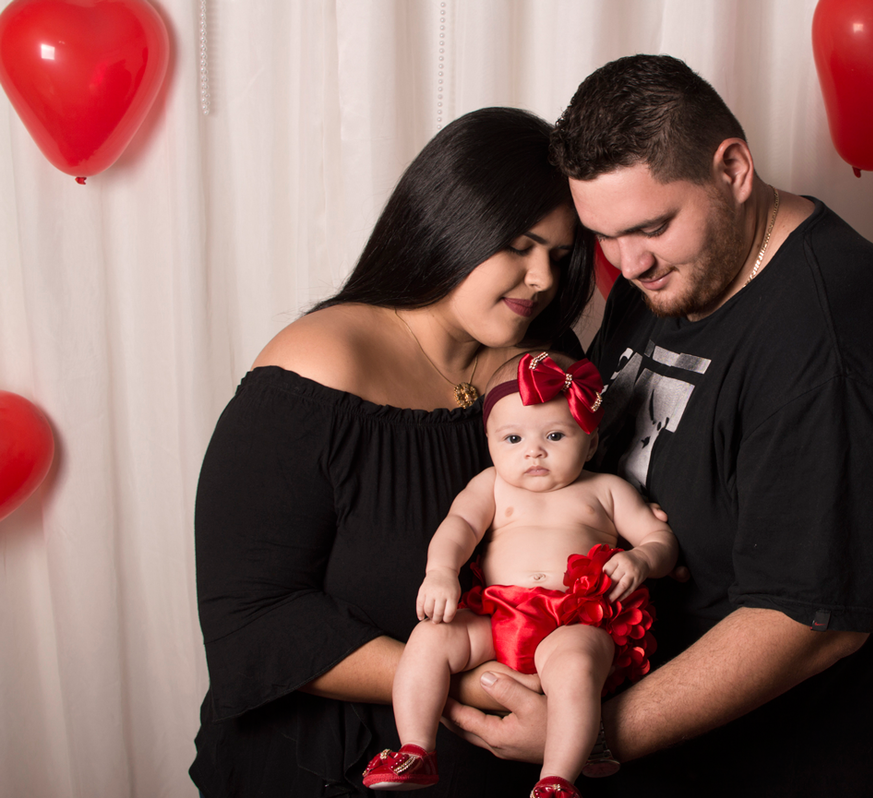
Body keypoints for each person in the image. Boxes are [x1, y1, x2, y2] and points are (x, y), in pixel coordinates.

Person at [444, 55, 873, 797]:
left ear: (732, 169)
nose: (629, 263)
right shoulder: (668, 274)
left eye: (650, 226)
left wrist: (592, 734)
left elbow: (810, 621)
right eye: (604, 235)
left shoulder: (839, 343)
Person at [190, 107, 597, 798]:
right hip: (331, 767)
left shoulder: (542, 367)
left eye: (558, 258)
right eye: (520, 247)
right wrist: (472, 677)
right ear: (449, 219)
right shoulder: (316, 366)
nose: (542, 281)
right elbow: (251, 619)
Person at [361, 351, 677, 796]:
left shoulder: (606, 489)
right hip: (498, 618)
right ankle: (416, 748)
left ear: (589, 443)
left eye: (554, 435)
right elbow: (459, 528)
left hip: (574, 621)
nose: (533, 450)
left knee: (575, 667)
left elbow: (660, 539)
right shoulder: (490, 484)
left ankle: (557, 778)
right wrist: (440, 572)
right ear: (488, 440)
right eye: (512, 438)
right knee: (429, 637)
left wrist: (643, 558)